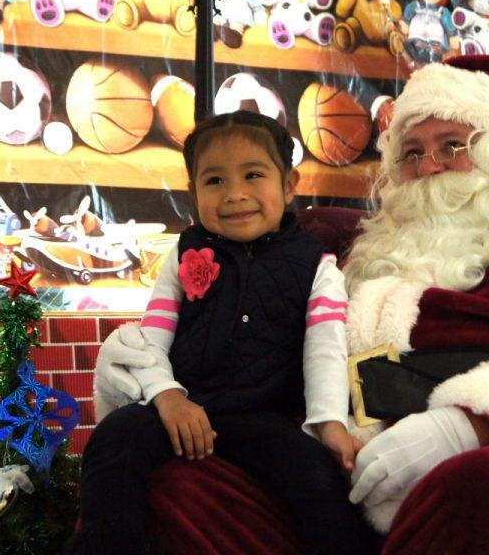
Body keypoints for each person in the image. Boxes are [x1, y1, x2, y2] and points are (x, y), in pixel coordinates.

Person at [93, 55, 489, 554]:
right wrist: (153, 375)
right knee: (180, 484)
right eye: (412, 153)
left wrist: (467, 425)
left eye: (454, 146)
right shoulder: (358, 259)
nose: (428, 168)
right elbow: (275, 356)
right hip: (344, 476)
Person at [72, 111, 376, 554]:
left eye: (253, 175)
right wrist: (167, 397)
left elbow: (325, 349)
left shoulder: (316, 265)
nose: (235, 195)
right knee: (116, 438)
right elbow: (150, 340)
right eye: (214, 181)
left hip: (264, 419)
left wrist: (329, 422)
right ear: (192, 192)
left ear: (289, 184)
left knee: (318, 482)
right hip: (183, 405)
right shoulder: (184, 254)